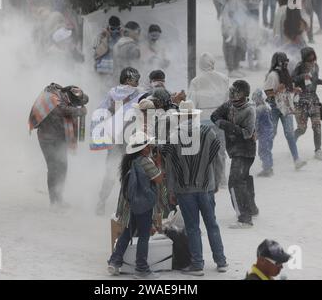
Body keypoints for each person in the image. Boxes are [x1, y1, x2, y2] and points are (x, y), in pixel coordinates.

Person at [161, 100, 228, 276]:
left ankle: (197, 265)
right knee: (212, 224)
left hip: (184, 190)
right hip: (206, 186)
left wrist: (170, 190)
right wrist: (217, 181)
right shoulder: (209, 132)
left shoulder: (174, 136)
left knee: (192, 227)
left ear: (181, 117)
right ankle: (221, 262)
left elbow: (169, 167)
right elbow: (219, 159)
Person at [107, 132, 164, 279]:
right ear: (143, 148)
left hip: (130, 204)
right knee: (144, 236)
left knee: (126, 233)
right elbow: (158, 179)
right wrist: (158, 163)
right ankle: (141, 269)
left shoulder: (130, 160)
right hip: (143, 204)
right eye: (148, 145)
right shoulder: (144, 161)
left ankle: (115, 261)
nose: (150, 147)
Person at [29, 83, 88, 209]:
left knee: (63, 167)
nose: (75, 105)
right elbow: (62, 110)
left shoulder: (66, 97)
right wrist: (80, 111)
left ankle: (59, 198)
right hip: (47, 138)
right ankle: (53, 202)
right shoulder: (53, 98)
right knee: (53, 168)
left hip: (61, 137)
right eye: (75, 102)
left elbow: (84, 100)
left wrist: (81, 107)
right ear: (68, 97)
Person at [94, 67, 143, 216]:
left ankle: (101, 202)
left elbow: (101, 111)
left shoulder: (112, 93)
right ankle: (127, 205)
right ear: (128, 79)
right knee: (130, 171)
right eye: (136, 79)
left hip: (115, 139)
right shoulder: (139, 93)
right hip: (130, 139)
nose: (137, 82)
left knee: (111, 170)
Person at [211, 80, 259, 229]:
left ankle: (245, 218)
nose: (232, 94)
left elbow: (247, 133)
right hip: (234, 149)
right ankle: (251, 208)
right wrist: (229, 126)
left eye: (236, 92)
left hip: (245, 150)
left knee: (235, 182)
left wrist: (227, 126)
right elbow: (214, 116)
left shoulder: (249, 109)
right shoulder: (229, 105)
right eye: (231, 91)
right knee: (243, 178)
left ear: (244, 94)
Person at [188, 53, 230, 187]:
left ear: (200, 65)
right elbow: (228, 100)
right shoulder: (223, 78)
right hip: (219, 120)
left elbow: (191, 103)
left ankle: (209, 178)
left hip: (203, 121)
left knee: (205, 151)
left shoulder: (196, 81)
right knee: (220, 150)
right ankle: (221, 178)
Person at [264, 53, 307, 170]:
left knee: (290, 133)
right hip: (274, 107)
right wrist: (276, 90)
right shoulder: (272, 75)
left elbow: (287, 88)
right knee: (271, 133)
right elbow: (266, 93)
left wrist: (294, 89)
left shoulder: (286, 73)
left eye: (286, 61)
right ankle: (266, 159)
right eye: (284, 62)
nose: (286, 64)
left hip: (286, 106)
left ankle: (296, 159)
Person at [292, 47, 322, 160]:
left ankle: (318, 149)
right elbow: (292, 79)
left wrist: (321, 81)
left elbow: (314, 80)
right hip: (301, 101)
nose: (312, 61)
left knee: (317, 125)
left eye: (313, 58)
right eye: (309, 58)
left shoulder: (316, 66)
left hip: (313, 100)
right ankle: (292, 141)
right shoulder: (299, 66)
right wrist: (303, 76)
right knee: (302, 128)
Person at [252, 89, 274, 177]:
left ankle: (267, 169)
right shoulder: (267, 107)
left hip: (263, 133)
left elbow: (256, 123)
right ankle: (269, 167)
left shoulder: (259, 109)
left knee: (262, 151)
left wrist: (255, 133)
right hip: (269, 131)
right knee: (267, 150)